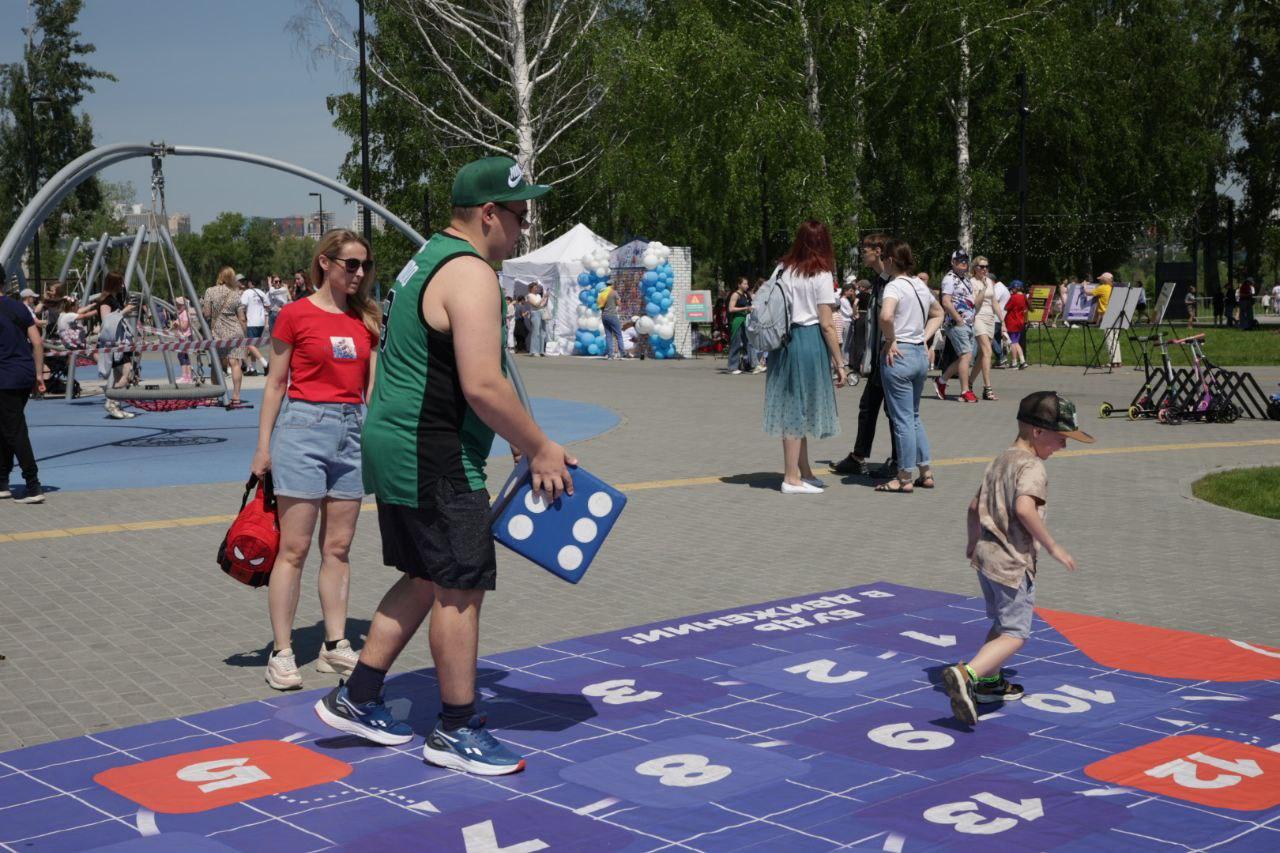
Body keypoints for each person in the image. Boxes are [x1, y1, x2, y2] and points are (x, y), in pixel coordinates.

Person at [314, 155, 575, 776]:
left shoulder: (428, 255)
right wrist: (538, 444)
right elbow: (483, 383)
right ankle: (455, 729)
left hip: (398, 441)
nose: (522, 230)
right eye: (519, 216)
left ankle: (359, 695)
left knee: (428, 574)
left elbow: (458, 374)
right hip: (430, 449)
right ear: (489, 214)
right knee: (460, 584)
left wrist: (516, 434)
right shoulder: (472, 273)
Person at [251, 230, 380, 691]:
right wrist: (263, 447)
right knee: (294, 549)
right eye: (351, 264)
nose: (359, 273)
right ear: (325, 263)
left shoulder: (367, 319)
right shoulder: (294, 314)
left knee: (338, 548)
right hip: (303, 429)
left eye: (365, 265)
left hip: (352, 431)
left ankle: (334, 644)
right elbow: (275, 384)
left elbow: (372, 390)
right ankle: (282, 651)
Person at [942, 391, 1093, 724]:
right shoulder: (1032, 466)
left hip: (986, 558)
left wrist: (971, 543)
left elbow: (972, 507)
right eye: (1061, 438)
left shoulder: (1001, 460)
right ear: (1037, 432)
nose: (1064, 447)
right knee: (1016, 633)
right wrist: (1053, 546)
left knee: (1002, 623)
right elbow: (1025, 507)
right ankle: (966, 674)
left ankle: (989, 682)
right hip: (1011, 562)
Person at [763, 220, 846, 494]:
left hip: (783, 342)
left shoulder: (783, 269)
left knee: (795, 406)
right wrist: (839, 361)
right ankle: (791, 477)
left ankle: (804, 471)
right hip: (808, 341)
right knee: (797, 411)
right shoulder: (821, 275)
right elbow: (827, 323)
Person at [874, 239, 943, 494]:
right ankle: (926, 472)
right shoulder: (919, 285)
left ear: (891, 261)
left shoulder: (894, 287)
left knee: (901, 419)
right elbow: (939, 313)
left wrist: (890, 339)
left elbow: (886, 316)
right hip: (918, 354)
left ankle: (903, 477)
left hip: (899, 354)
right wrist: (924, 338)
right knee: (913, 416)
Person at [829, 239, 896, 476]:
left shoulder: (894, 282)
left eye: (865, 251)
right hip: (879, 359)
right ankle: (858, 456)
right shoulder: (879, 282)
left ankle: (899, 461)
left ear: (878, 252)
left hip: (891, 357)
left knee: (893, 411)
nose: (862, 255)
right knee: (868, 406)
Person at [0, 267, 47, 504]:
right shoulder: (19, 307)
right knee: (7, 426)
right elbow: (37, 342)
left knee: (15, 429)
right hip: (23, 373)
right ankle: (2, 481)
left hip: (4, 376)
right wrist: (38, 373)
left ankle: (32, 484)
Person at [936, 250, 980, 402]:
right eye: (960, 260)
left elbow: (971, 301)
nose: (963, 263)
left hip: (969, 323)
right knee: (966, 356)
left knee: (967, 357)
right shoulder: (949, 279)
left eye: (965, 261)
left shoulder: (966, 279)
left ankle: (941, 381)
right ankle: (965, 391)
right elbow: (946, 302)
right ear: (953, 262)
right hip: (956, 323)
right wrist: (958, 319)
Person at [203, 266, 249, 409]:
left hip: (218, 332)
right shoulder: (235, 295)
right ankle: (236, 396)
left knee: (216, 363)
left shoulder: (210, 291)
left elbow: (206, 314)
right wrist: (245, 335)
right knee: (235, 363)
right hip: (235, 331)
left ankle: (213, 395)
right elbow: (242, 318)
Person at [95, 273, 139, 419]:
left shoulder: (114, 299)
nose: (122, 286)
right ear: (114, 284)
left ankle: (116, 404)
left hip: (119, 343)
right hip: (112, 345)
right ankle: (111, 401)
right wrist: (125, 311)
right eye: (120, 283)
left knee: (119, 375)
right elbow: (106, 321)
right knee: (127, 371)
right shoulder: (106, 301)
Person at [966, 257, 1004, 400]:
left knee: (982, 355)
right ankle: (987, 388)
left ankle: (969, 383)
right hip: (978, 317)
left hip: (990, 319)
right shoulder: (971, 282)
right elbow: (975, 303)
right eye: (981, 267)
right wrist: (982, 288)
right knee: (988, 351)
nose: (984, 269)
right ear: (975, 267)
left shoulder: (989, 281)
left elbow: (994, 301)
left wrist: (1002, 320)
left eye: (986, 266)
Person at [238, 276, 270, 375]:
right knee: (255, 345)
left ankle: (265, 363)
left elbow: (241, 304)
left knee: (249, 344)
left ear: (250, 283)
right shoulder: (261, 292)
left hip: (251, 321)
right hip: (260, 322)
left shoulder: (247, 292)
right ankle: (253, 368)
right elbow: (268, 305)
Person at [1089, 272, 1120, 367]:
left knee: (1109, 339)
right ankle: (1118, 361)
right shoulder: (1113, 288)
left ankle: (1113, 361)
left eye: (1101, 279)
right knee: (1115, 338)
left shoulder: (1102, 287)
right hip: (1115, 313)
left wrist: (1083, 286)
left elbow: (1089, 293)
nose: (1100, 280)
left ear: (1105, 280)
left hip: (1106, 314)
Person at [725, 277, 754, 373]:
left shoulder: (746, 295)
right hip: (737, 321)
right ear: (739, 285)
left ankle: (746, 365)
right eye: (745, 284)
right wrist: (745, 308)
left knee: (747, 343)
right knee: (736, 343)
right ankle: (732, 367)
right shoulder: (735, 295)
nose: (747, 286)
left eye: (747, 284)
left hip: (745, 321)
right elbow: (731, 309)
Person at [1003, 281, 1029, 369]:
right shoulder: (1024, 297)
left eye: (1012, 288)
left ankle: (1014, 362)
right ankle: (1022, 361)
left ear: (1015, 288)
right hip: (1020, 322)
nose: (1011, 290)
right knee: (1016, 342)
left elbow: (1006, 307)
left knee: (1013, 343)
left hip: (1012, 321)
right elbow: (1025, 310)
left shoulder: (1014, 297)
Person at [171, 296, 195, 383]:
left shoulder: (185, 313)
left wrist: (177, 324)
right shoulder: (181, 313)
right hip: (183, 337)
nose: (177, 306)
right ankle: (187, 376)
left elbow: (184, 326)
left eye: (179, 305)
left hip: (186, 337)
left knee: (183, 356)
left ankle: (186, 376)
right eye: (177, 305)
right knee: (183, 356)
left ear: (184, 306)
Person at [598, 280, 624, 359]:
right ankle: (622, 354)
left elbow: (601, 306)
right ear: (612, 285)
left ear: (606, 285)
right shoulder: (614, 292)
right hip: (612, 315)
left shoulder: (602, 293)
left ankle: (610, 355)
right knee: (618, 335)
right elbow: (619, 304)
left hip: (604, 316)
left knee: (608, 336)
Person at [525, 282, 548, 357]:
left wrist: (546, 298)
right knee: (536, 332)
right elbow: (535, 304)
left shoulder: (538, 295)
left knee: (543, 331)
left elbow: (541, 304)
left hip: (541, 312)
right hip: (535, 313)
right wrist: (543, 298)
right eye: (535, 287)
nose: (536, 289)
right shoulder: (529, 295)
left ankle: (541, 351)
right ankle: (534, 351)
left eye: (537, 287)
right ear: (531, 288)